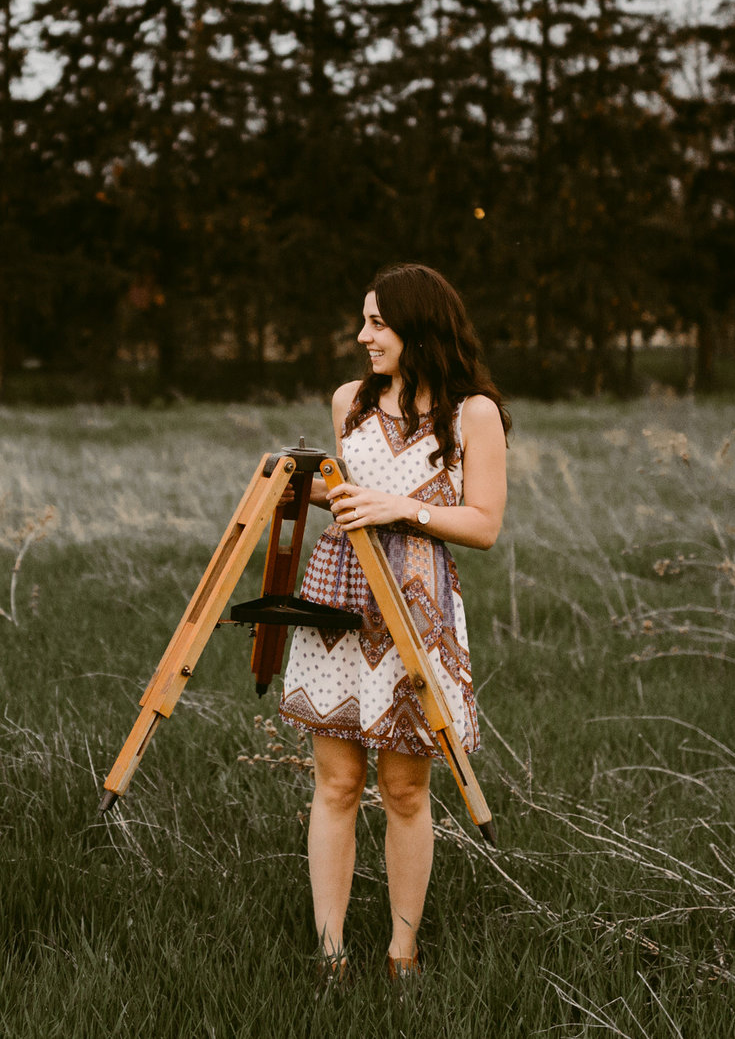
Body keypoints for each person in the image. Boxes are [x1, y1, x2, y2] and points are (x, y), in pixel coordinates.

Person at [276, 262, 510, 979]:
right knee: (337, 780)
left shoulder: (473, 412)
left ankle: (402, 953)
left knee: (407, 788)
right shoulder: (350, 399)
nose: (362, 334)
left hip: (419, 611)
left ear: (419, 324)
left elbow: (484, 523)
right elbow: (349, 498)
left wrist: (398, 508)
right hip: (341, 599)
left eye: (378, 321)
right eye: (364, 319)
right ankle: (330, 952)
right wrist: (310, 491)